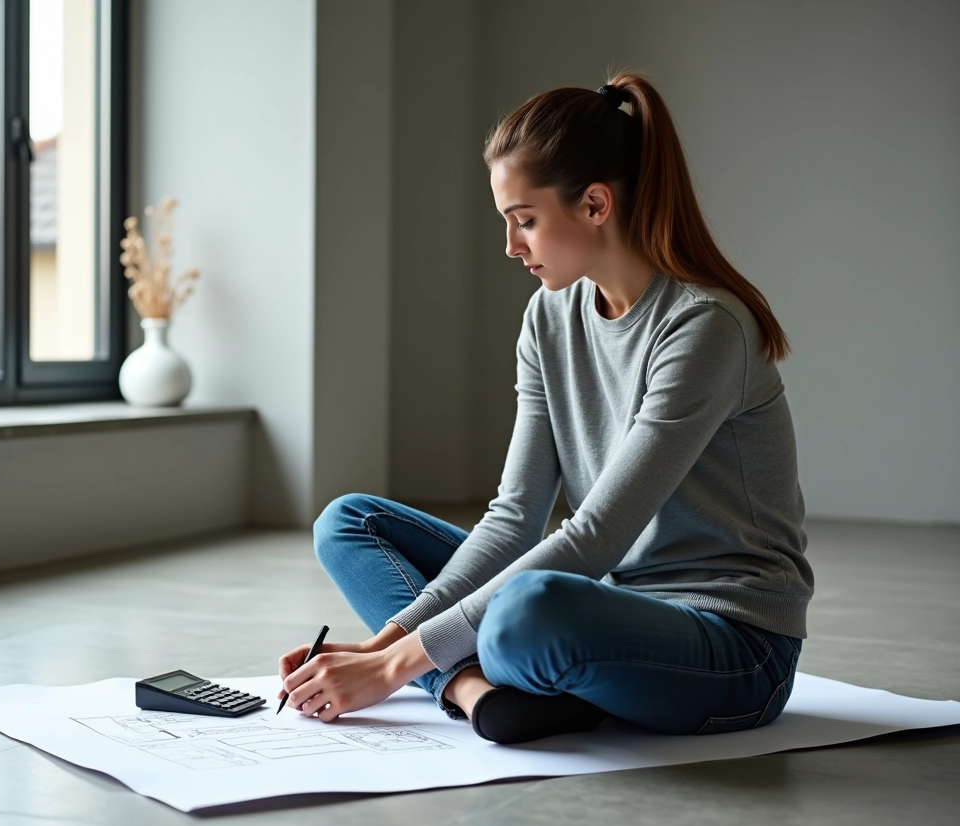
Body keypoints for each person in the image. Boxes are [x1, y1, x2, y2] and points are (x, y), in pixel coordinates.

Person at [277, 72, 814, 744]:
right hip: (609, 603)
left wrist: (392, 670)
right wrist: (382, 645)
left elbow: (596, 537)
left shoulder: (704, 326)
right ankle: (474, 691)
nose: (511, 245)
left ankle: (488, 671)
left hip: (735, 646)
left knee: (526, 613)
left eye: (524, 220)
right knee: (350, 521)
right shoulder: (548, 318)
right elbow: (513, 520)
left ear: (594, 204)